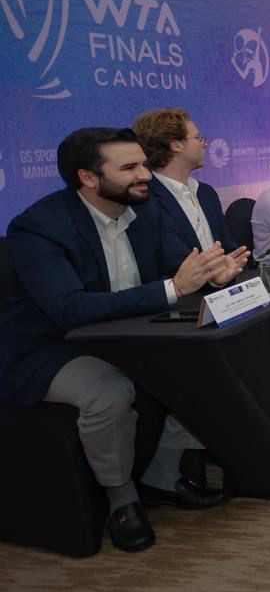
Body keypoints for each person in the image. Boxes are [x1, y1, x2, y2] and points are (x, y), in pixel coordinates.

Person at [1, 128, 248, 552]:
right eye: (130, 167)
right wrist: (174, 287)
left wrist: (213, 274)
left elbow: (178, 268)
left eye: (144, 165)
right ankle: (122, 499)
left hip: (128, 334)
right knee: (110, 393)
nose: (145, 175)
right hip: (52, 346)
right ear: (88, 178)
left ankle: (162, 476)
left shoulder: (145, 212)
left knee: (201, 366)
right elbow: (69, 309)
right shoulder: (39, 227)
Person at [131, 107, 237, 253]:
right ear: (176, 145)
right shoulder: (145, 201)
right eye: (198, 138)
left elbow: (228, 248)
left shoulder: (206, 193)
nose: (204, 144)